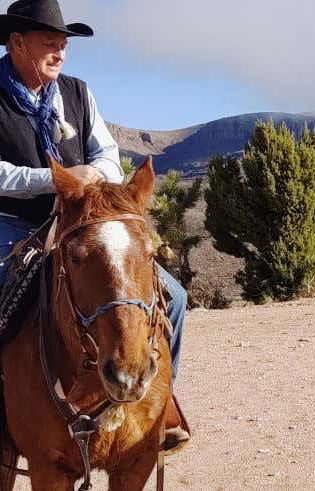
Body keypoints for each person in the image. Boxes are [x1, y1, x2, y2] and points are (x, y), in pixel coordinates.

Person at [0, 0, 189, 449]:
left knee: (174, 298)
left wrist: (95, 174)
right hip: (11, 219)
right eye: (50, 43)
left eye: (63, 45)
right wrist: (52, 179)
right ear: (17, 43)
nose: (60, 53)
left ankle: (159, 404)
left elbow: (104, 149)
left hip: (82, 221)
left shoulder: (78, 92)